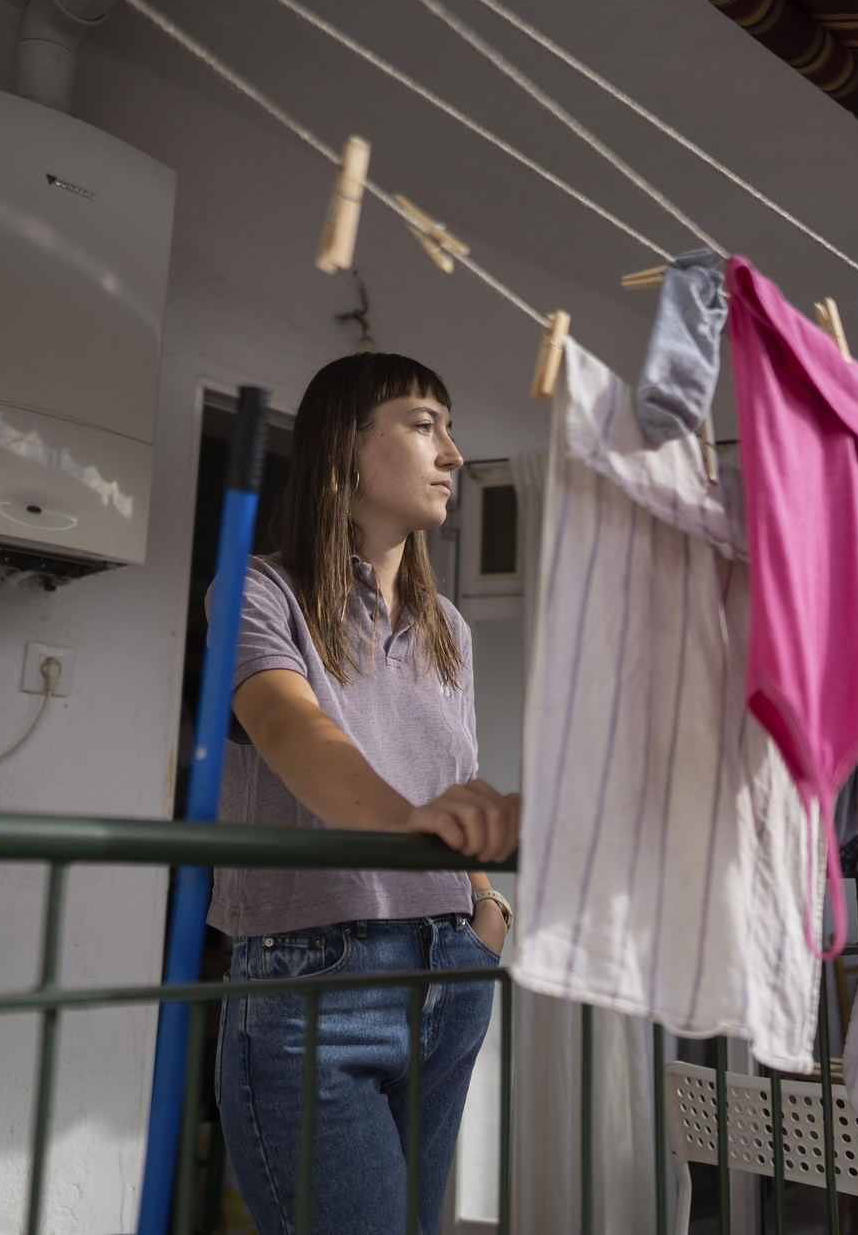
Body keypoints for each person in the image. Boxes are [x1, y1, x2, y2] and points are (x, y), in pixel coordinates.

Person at [210, 352, 521, 1235]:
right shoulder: (260, 590)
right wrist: (407, 822)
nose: (453, 454)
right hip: (314, 983)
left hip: (448, 971)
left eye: (449, 430)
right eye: (424, 425)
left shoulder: (447, 627)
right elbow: (287, 727)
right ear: (345, 448)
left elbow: (452, 784)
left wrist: (485, 911)